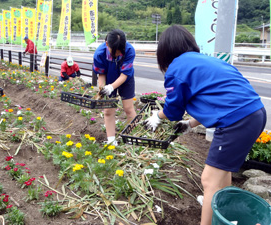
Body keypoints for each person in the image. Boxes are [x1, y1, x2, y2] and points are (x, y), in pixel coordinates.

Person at [144, 25, 266, 225]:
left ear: (164, 51)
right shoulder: (207, 61)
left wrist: (157, 115)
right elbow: (216, 99)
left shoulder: (176, 68)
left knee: (208, 180)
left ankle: (209, 218)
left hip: (236, 121)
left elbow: (173, 111)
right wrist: (191, 124)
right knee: (223, 171)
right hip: (255, 113)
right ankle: (220, 209)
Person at [93, 29, 137, 146]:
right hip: (108, 79)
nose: (117, 54)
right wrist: (102, 89)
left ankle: (132, 138)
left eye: (119, 52)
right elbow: (101, 74)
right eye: (115, 52)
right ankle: (111, 140)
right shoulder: (99, 54)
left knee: (128, 108)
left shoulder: (129, 50)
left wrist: (112, 87)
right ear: (107, 44)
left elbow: (124, 74)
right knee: (108, 110)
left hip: (125, 79)